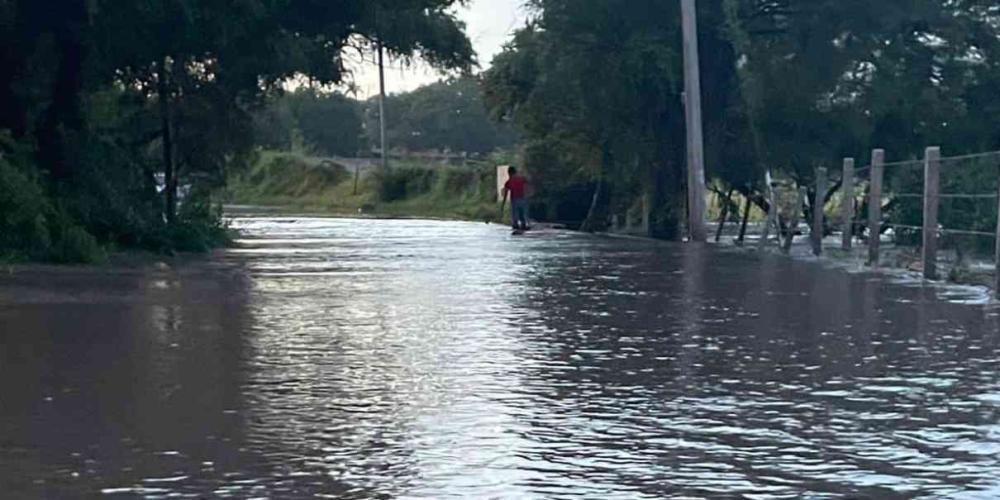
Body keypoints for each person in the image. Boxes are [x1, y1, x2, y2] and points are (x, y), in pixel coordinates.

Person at [501, 166, 529, 231]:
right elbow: (528, 185)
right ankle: (523, 224)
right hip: (523, 199)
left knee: (515, 216)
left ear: (509, 173)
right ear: (515, 172)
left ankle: (516, 225)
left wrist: (503, 204)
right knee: (523, 214)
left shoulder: (508, 182)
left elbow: (505, 194)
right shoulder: (522, 179)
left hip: (514, 200)